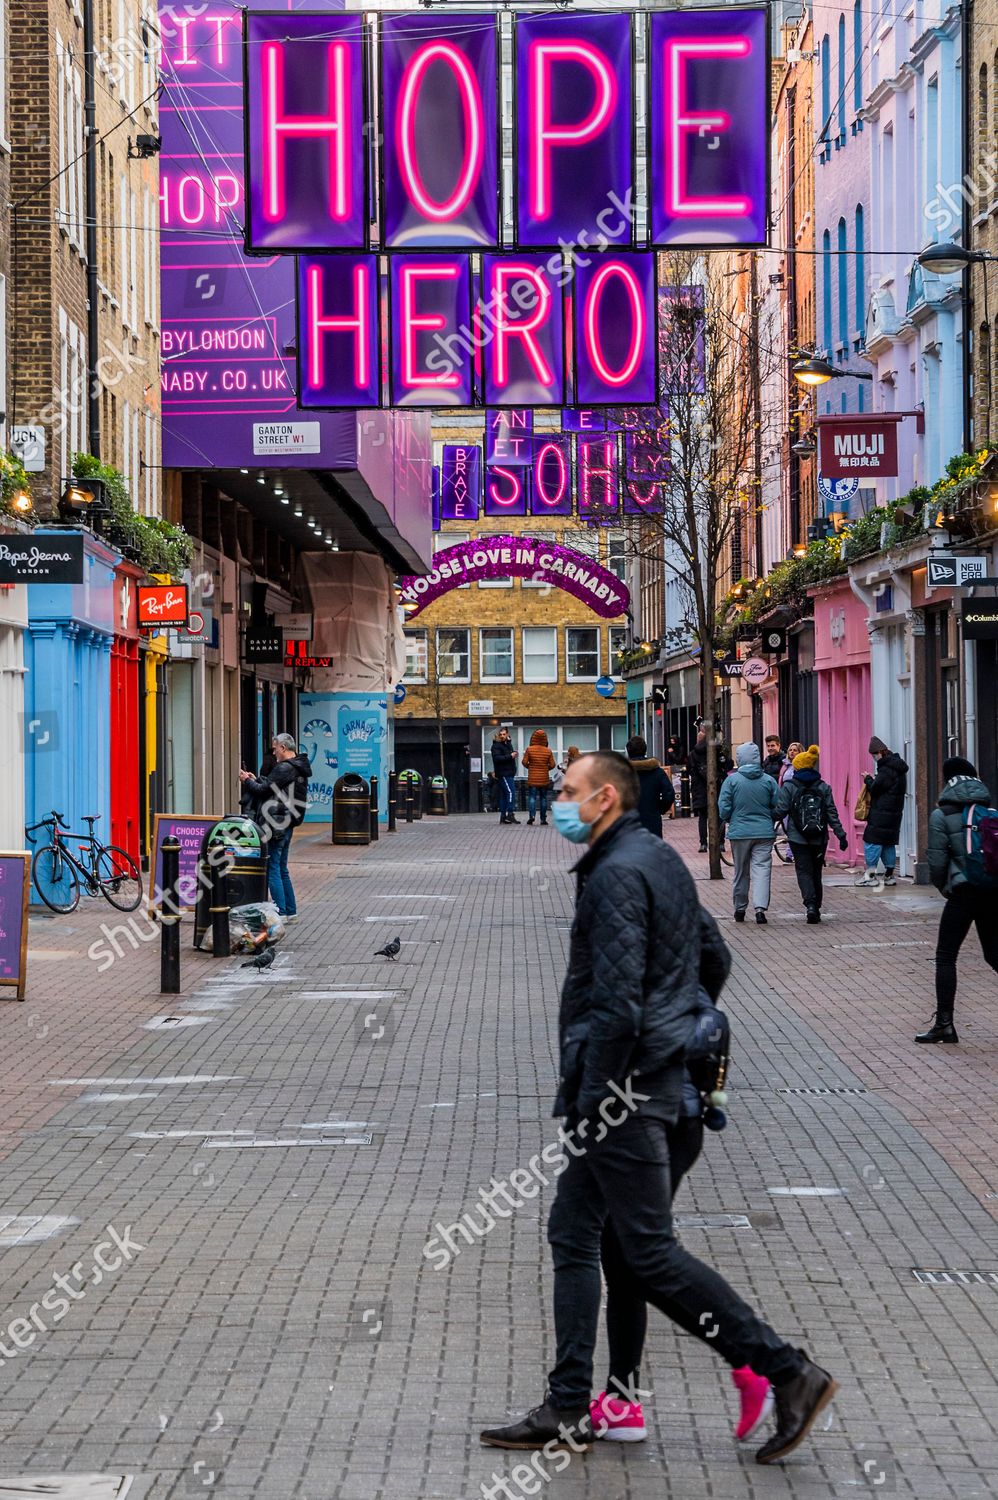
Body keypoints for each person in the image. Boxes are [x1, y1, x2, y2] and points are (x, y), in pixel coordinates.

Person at [480, 752, 838, 1465]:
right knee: (582, 1235)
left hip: (626, 1096)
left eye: (570, 792)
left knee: (644, 1252)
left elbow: (614, 1006)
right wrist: (681, 1024)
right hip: (661, 1086)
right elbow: (715, 959)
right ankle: (573, 1404)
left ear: (605, 798)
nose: (560, 801)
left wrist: (597, 1095)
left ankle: (787, 1369)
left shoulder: (615, 874)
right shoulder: (656, 859)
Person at [593, 930, 774, 1447]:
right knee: (623, 1256)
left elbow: (711, 956)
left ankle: (759, 1362)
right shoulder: (643, 879)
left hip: (657, 1109)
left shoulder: (639, 880)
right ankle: (622, 1402)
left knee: (643, 1257)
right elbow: (714, 956)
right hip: (660, 1108)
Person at [918, 757, 998, 1044]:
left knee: (946, 956)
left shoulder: (942, 814)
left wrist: (946, 888)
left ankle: (945, 1024)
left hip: (963, 894)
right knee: (993, 953)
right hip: (992, 891)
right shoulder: (990, 811)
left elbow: (937, 861)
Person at [238, 732, 312, 921]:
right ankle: (291, 909)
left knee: (273, 867)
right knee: (282, 867)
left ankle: (281, 911)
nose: (273, 752)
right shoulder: (298, 766)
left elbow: (263, 791)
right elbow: (275, 788)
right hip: (287, 821)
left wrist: (247, 781)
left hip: (276, 823)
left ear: (283, 748)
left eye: (274, 748)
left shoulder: (284, 768)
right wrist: (257, 779)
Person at [774, 746, 848, 924]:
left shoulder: (790, 786)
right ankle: (817, 905)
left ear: (797, 767)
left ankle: (810, 905)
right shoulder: (823, 787)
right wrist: (841, 834)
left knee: (803, 871)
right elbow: (832, 813)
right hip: (819, 838)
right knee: (816, 872)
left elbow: (780, 811)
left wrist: (766, 817)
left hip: (797, 837)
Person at [718, 743, 778, 924]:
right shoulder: (768, 780)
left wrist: (730, 819)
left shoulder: (732, 781)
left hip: (739, 832)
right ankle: (760, 909)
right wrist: (769, 818)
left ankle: (740, 908)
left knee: (740, 871)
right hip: (764, 832)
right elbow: (777, 805)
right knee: (762, 869)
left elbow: (724, 808)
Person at [857, 736, 908, 887]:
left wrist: (868, 779)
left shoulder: (886, 770)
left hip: (881, 813)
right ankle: (889, 876)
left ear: (879, 753)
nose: (874, 758)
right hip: (894, 813)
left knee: (871, 841)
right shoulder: (898, 768)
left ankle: (870, 876)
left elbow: (875, 788)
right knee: (887, 843)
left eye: (873, 755)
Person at [625, 734, 675, 837]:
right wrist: (660, 809)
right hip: (652, 821)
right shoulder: (657, 771)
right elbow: (669, 794)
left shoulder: (621, 773)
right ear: (645, 750)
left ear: (628, 751)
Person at [689, 727, 729, 853]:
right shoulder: (716, 751)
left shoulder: (693, 754)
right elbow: (727, 765)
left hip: (700, 789)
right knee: (719, 816)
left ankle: (703, 844)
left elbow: (690, 769)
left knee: (702, 817)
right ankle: (720, 842)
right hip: (717, 787)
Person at [522, 729, 556, 825]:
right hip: (544, 778)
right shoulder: (548, 751)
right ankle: (543, 819)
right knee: (543, 798)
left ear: (533, 739)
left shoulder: (529, 749)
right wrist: (545, 769)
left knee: (532, 797)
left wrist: (530, 767)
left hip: (532, 778)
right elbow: (553, 765)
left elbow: (524, 762)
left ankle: (532, 816)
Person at [491, 729, 519, 825]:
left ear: (507, 735)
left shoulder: (507, 744)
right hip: (504, 773)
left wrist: (512, 753)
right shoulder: (496, 746)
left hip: (509, 772)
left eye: (504, 734)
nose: (502, 736)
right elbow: (497, 758)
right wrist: (510, 756)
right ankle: (510, 813)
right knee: (511, 793)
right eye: (500, 734)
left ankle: (503, 817)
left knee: (503, 795)